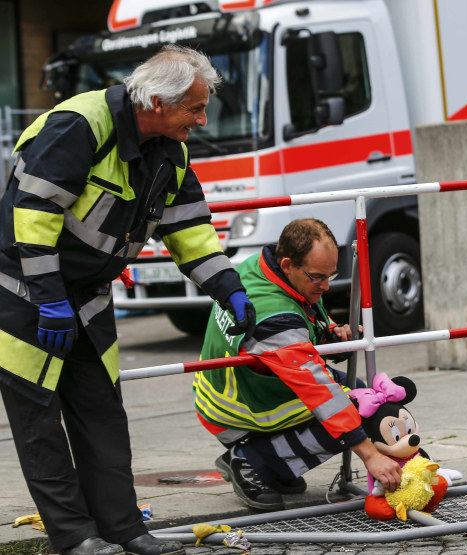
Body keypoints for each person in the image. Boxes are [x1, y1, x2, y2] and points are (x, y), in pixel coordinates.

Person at [0, 45, 256, 555]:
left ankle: (124, 530)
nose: (202, 120)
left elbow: (189, 231)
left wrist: (228, 287)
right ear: (158, 103)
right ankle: (74, 538)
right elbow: (32, 216)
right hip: (23, 291)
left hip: (87, 296)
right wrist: (49, 300)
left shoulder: (172, 150)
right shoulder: (78, 126)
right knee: (39, 423)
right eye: (195, 109)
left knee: (102, 414)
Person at [194, 218, 403, 511]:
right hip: (238, 407)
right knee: (358, 406)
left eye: (332, 275)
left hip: (239, 387)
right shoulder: (273, 315)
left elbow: (300, 314)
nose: (326, 286)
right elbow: (320, 393)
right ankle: (251, 461)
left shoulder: (263, 266)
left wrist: (329, 331)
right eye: (317, 277)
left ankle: (275, 464)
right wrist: (370, 454)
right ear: (289, 263)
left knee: (363, 396)